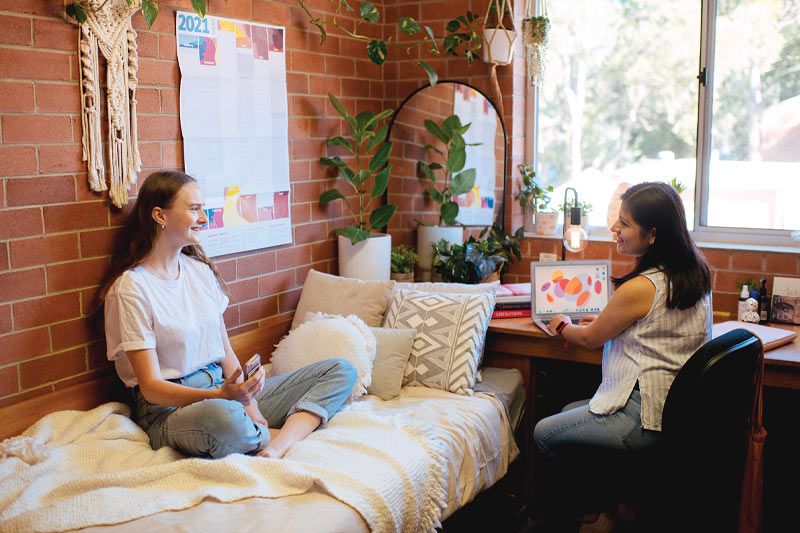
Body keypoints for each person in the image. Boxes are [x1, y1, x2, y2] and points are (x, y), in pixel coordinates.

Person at [98, 170, 356, 459]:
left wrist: (250, 404)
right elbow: (151, 388)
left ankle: (276, 445)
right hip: (170, 410)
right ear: (160, 215)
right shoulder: (131, 288)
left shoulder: (200, 272)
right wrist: (220, 397)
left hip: (223, 390)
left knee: (341, 370)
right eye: (194, 209)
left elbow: (225, 352)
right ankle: (275, 434)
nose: (204, 218)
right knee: (221, 419)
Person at [532, 181, 712, 528]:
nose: (615, 227)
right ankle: (606, 507)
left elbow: (588, 339)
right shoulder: (694, 273)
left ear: (652, 234)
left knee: (544, 433)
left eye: (625, 223)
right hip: (675, 410)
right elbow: (654, 326)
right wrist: (607, 319)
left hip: (644, 415)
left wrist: (560, 324)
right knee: (571, 411)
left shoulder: (641, 286)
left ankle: (574, 516)